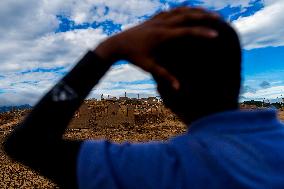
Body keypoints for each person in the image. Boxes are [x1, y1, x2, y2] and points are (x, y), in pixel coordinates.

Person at [3, 6, 284, 189]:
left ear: (165, 87)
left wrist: (110, 48)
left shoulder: (162, 168)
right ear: (237, 76)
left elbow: (24, 145)